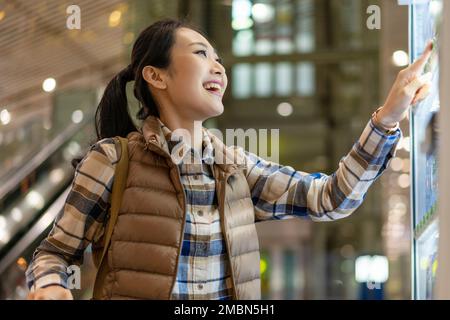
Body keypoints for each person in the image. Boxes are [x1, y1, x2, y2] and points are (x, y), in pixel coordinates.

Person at [25, 18, 433, 300]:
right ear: (156, 76)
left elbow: (331, 197)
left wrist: (387, 118)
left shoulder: (235, 169)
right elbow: (55, 252)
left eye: (218, 58)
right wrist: (49, 285)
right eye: (202, 53)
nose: (218, 66)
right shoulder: (113, 161)